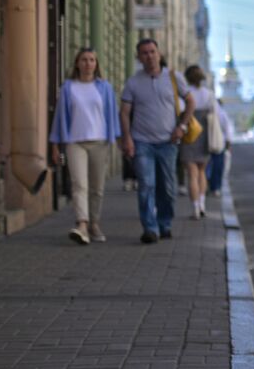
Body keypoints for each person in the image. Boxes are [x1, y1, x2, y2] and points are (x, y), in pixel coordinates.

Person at [120, 39, 195, 243]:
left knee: (168, 188)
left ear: (159, 54)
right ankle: (150, 228)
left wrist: (182, 126)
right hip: (142, 142)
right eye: (144, 53)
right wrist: (127, 138)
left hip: (168, 143)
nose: (149, 56)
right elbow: (125, 112)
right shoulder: (133, 82)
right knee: (146, 185)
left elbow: (190, 102)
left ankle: (165, 223)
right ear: (139, 57)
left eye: (152, 51)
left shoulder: (173, 77)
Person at [48, 48, 122, 244]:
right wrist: (55, 144)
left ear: (96, 64)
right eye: (84, 60)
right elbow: (60, 116)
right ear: (77, 64)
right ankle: (82, 224)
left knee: (97, 187)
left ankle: (94, 223)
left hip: (99, 141)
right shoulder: (68, 88)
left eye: (92, 60)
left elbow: (112, 114)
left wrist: (117, 139)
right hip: (74, 142)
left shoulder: (104, 87)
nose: (88, 63)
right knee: (79, 184)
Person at [180, 65, 216, 219]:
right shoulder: (208, 94)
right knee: (202, 172)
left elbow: (181, 111)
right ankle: (202, 205)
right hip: (204, 134)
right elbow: (215, 114)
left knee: (191, 174)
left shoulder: (187, 93)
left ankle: (195, 208)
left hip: (189, 134)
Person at [207, 107, 233, 197]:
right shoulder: (221, 112)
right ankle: (215, 187)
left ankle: (211, 186)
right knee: (217, 166)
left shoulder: (218, 112)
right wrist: (228, 143)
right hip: (218, 143)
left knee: (208, 166)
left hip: (208, 143)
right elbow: (228, 129)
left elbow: (227, 129)